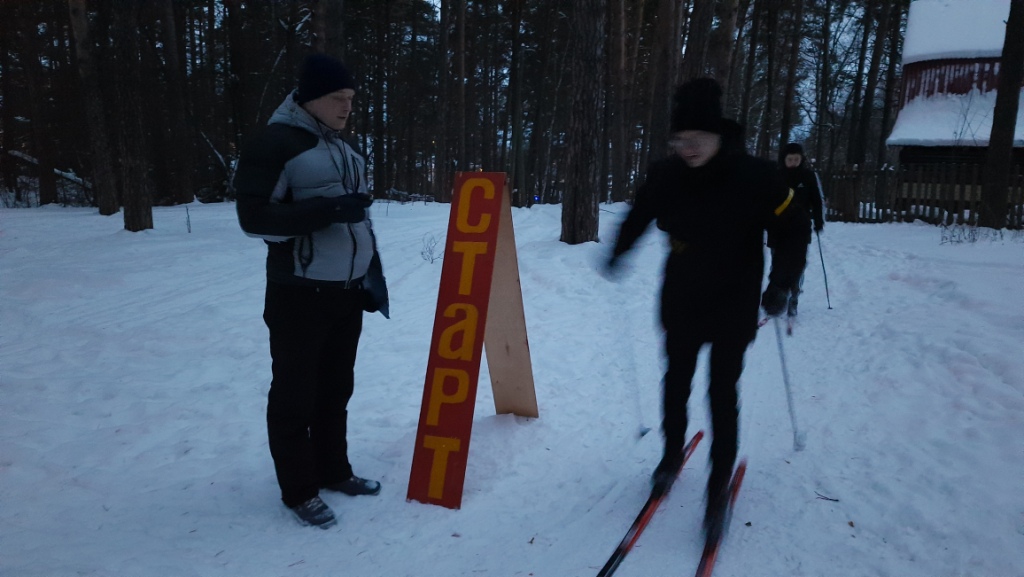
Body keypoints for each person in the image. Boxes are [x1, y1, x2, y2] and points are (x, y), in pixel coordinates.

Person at [605, 78, 807, 540]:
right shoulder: (666, 174)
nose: (689, 147)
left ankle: (717, 489)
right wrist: (619, 249)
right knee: (675, 381)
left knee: (721, 390)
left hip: (734, 296)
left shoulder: (757, 176)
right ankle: (670, 456)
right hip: (681, 293)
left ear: (718, 134)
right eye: (680, 139)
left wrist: (781, 282)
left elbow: (794, 228)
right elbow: (639, 214)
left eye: (697, 137)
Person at [234, 53, 390, 529]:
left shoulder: (345, 148)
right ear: (310, 98)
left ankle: (333, 470)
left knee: (336, 389)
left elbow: (358, 223)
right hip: (298, 295)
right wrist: (328, 211)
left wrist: (369, 279)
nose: (347, 107)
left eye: (351, 98)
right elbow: (253, 219)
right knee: (294, 396)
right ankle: (299, 490)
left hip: (345, 292)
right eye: (338, 98)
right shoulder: (274, 143)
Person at [772, 142, 825, 317]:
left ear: (802, 159)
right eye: (790, 159)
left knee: (798, 265)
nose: (793, 162)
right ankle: (777, 298)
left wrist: (818, 220)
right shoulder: (776, 176)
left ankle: (793, 298)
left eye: (797, 159)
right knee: (778, 265)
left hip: (800, 229)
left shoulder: (808, 176)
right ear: (784, 159)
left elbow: (817, 200)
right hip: (778, 228)